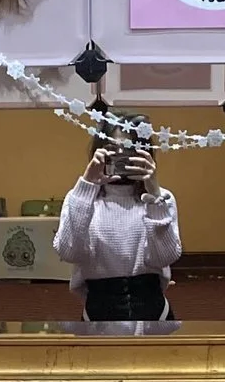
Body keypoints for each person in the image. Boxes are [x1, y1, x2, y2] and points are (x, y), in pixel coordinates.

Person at [54, 127, 179, 321]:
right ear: (99, 151)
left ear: (143, 152)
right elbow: (68, 252)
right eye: (112, 148)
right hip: (97, 313)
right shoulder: (79, 198)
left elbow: (164, 257)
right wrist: (87, 185)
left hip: (155, 313)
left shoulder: (161, 198)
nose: (121, 155)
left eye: (128, 148)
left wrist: (154, 195)